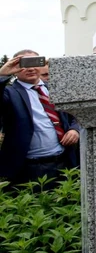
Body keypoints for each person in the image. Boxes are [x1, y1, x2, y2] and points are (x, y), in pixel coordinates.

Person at [0, 51, 81, 185]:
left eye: (35, 63)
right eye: (25, 64)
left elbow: (75, 114)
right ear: (14, 68)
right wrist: (2, 74)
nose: (31, 68)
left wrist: (74, 130)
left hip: (64, 163)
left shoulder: (56, 89)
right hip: (29, 169)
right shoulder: (9, 93)